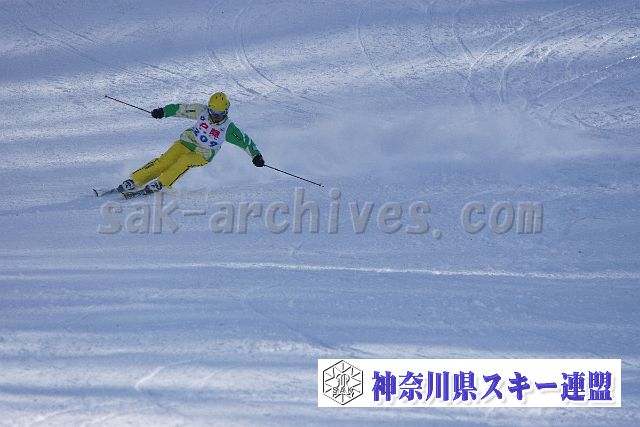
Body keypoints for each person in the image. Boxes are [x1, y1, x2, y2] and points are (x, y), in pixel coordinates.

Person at [117, 92, 264, 195]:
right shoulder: (202, 111)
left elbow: (246, 142)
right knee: (164, 161)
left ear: (226, 112)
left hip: (203, 154)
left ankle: (160, 183)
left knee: (184, 162)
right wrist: (163, 111)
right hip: (187, 142)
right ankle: (135, 180)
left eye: (219, 114)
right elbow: (181, 109)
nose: (215, 116)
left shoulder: (228, 128)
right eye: (213, 112)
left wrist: (256, 156)